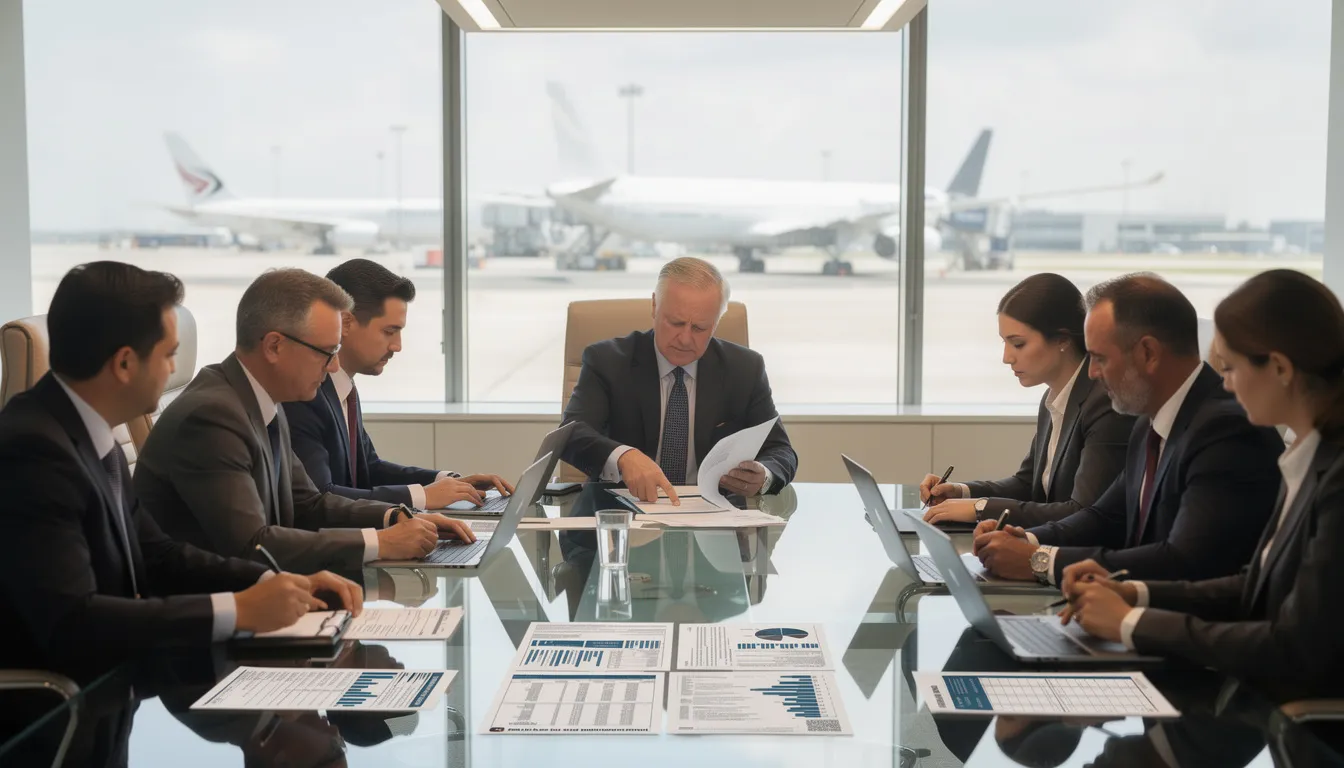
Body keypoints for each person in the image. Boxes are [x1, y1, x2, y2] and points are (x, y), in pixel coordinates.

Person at [0, 262, 363, 679]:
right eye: (168, 355)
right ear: (123, 363)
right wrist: (236, 609)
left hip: (117, 690)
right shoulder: (32, 452)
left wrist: (271, 581)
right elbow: (75, 621)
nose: (174, 371)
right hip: (53, 714)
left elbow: (159, 554)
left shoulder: (87, 432)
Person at [1061, 269, 1344, 702]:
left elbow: (1295, 646)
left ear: (1282, 368)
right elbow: (1253, 584)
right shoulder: (1308, 458)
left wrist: (1130, 623)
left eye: (1229, 367)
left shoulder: (1334, 477)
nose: (1225, 383)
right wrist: (1133, 592)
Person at [136, 269, 474, 574]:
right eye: (325, 353)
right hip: (212, 611)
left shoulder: (265, 398)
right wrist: (380, 543)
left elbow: (309, 503)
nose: (331, 367)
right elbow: (252, 545)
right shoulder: (211, 417)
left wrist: (395, 517)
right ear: (274, 346)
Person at [973, 273, 1283, 585]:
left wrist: (1040, 561)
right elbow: (1105, 516)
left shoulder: (1226, 431)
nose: (1092, 373)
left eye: (1100, 358)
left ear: (1148, 354)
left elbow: (1184, 561)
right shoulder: (1150, 422)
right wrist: (1027, 539)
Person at [560, 257, 798, 502]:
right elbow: (571, 434)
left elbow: (780, 450)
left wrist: (764, 476)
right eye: (675, 323)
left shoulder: (745, 368)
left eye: (699, 328)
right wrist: (623, 457)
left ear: (716, 322)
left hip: (714, 519)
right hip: (624, 512)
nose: (685, 339)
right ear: (654, 306)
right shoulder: (607, 361)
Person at [284, 258, 512, 508]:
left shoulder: (343, 388)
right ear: (346, 323)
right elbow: (321, 496)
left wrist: (447, 482)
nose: (397, 346)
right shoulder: (305, 394)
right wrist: (423, 497)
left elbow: (369, 469)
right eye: (389, 332)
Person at [920, 273, 1135, 527]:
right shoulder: (1055, 396)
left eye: (1018, 344)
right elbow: (1027, 484)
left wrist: (980, 509)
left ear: (1063, 340)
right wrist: (960, 492)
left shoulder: (1104, 403)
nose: (1006, 357)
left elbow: (1082, 512)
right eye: (1005, 343)